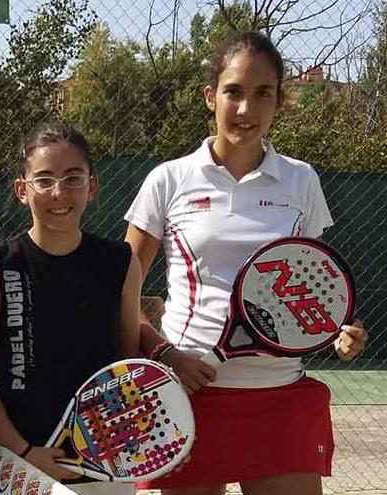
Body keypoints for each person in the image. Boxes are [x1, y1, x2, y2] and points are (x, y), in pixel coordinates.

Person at [125, 31, 368, 495]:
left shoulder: (301, 180)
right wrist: (164, 354)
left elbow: (312, 279)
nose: (246, 109)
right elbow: (121, 289)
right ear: (210, 96)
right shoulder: (168, 180)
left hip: (281, 397)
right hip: (191, 396)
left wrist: (340, 328)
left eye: (263, 94)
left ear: (280, 101)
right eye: (233, 92)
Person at [0, 122, 142, 495]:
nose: (59, 192)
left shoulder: (121, 262)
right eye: (44, 180)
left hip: (103, 464)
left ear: (92, 186)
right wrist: (24, 452)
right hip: (19, 465)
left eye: (73, 178)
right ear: (21, 190)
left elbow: (127, 366)